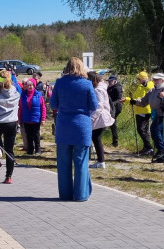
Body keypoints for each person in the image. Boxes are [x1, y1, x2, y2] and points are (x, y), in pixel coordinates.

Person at [49, 57, 98, 201]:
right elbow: (94, 106)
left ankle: (65, 194)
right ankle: (81, 194)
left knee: (63, 162)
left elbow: (53, 105)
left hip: (64, 124)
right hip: (82, 125)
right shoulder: (87, 84)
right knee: (81, 161)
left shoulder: (59, 83)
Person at [130, 73, 164, 164]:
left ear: (163, 80)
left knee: (155, 130)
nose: (154, 81)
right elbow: (143, 102)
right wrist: (134, 101)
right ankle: (162, 156)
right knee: (158, 133)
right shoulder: (152, 91)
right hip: (156, 114)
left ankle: (161, 150)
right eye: (154, 79)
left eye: (156, 79)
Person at [0, 69, 21, 183]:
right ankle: (9, 176)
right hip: (12, 122)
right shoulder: (17, 91)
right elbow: (16, 85)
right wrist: (13, 76)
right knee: (9, 149)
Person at [89, 71, 115, 169]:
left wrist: (92, 118)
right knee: (96, 138)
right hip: (100, 116)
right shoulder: (100, 88)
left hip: (100, 117)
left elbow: (99, 107)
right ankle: (100, 161)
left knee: (96, 138)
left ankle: (101, 161)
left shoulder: (98, 90)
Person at [127, 72, 154, 155]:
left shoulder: (148, 85)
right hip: (139, 110)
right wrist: (128, 100)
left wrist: (146, 84)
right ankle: (147, 148)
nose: (138, 80)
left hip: (145, 110)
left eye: (139, 78)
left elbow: (150, 90)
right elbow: (136, 98)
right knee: (143, 130)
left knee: (141, 129)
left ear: (144, 78)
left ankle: (149, 148)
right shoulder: (140, 86)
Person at [18, 77, 46, 155]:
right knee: (28, 135)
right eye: (28, 85)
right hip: (26, 119)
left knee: (36, 135)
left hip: (36, 119)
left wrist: (43, 119)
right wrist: (19, 118)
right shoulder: (23, 95)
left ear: (34, 86)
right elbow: (20, 108)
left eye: (31, 85)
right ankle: (30, 150)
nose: (29, 87)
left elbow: (43, 107)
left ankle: (38, 149)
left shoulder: (39, 95)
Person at [106, 76, 123, 146]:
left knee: (113, 124)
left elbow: (119, 99)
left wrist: (112, 104)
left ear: (115, 81)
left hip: (116, 108)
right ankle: (115, 142)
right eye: (108, 81)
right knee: (112, 124)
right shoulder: (110, 87)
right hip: (112, 107)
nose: (109, 82)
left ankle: (115, 142)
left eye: (111, 81)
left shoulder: (117, 88)